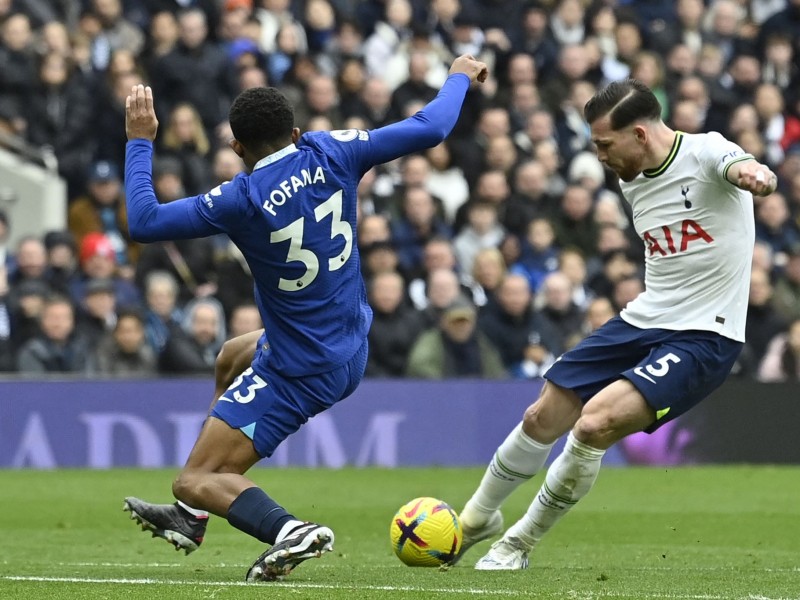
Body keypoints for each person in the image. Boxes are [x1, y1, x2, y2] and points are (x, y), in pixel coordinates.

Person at [120, 54, 488, 581]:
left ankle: (287, 529)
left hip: (298, 366)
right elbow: (430, 127)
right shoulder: (332, 150)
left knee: (190, 477)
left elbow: (145, 220)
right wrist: (457, 75)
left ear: (235, 147)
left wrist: (140, 139)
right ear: (294, 132)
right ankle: (196, 516)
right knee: (229, 357)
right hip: (346, 342)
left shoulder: (239, 198)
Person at [453, 78, 778, 570]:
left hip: (705, 335)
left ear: (641, 135)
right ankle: (475, 520)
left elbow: (739, 165)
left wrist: (757, 176)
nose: (599, 154)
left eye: (605, 143)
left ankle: (516, 544)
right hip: (644, 319)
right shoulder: (631, 178)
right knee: (541, 417)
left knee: (594, 424)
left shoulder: (708, 151)